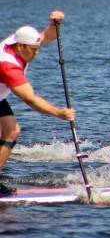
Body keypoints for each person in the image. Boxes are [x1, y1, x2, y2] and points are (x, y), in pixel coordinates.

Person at [0, 11, 76, 192]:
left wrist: (56, 22)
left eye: (37, 49)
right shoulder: (8, 66)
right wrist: (59, 113)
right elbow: (30, 99)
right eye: (33, 50)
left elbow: (47, 36)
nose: (36, 53)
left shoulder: (21, 41)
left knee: (12, 130)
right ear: (20, 47)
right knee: (11, 131)